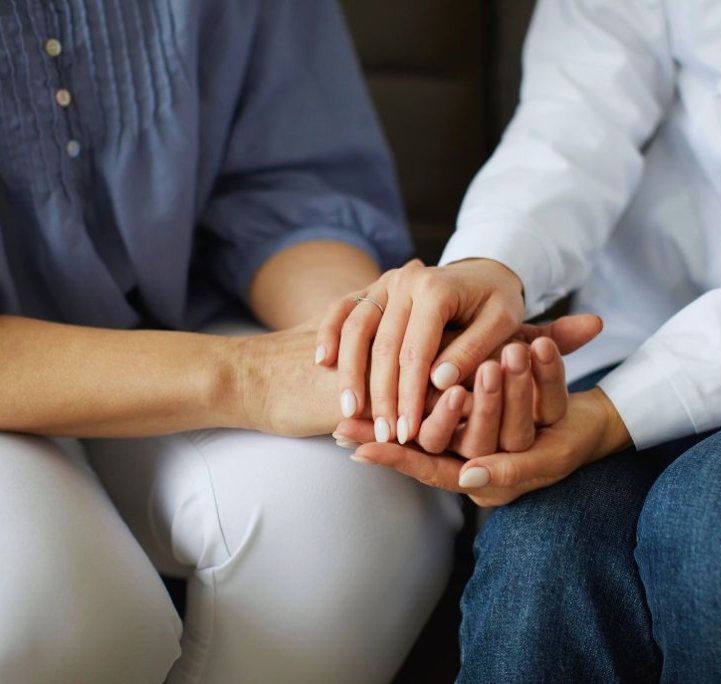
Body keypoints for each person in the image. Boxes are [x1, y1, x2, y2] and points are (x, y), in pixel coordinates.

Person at [321, 0, 721, 681]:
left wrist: (612, 413)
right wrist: (491, 265)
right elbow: (581, 102)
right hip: (650, 326)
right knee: (544, 533)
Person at [0, 2, 472, 682]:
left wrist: (373, 347)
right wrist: (248, 378)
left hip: (189, 311)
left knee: (360, 520)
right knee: (55, 616)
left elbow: (287, 186)